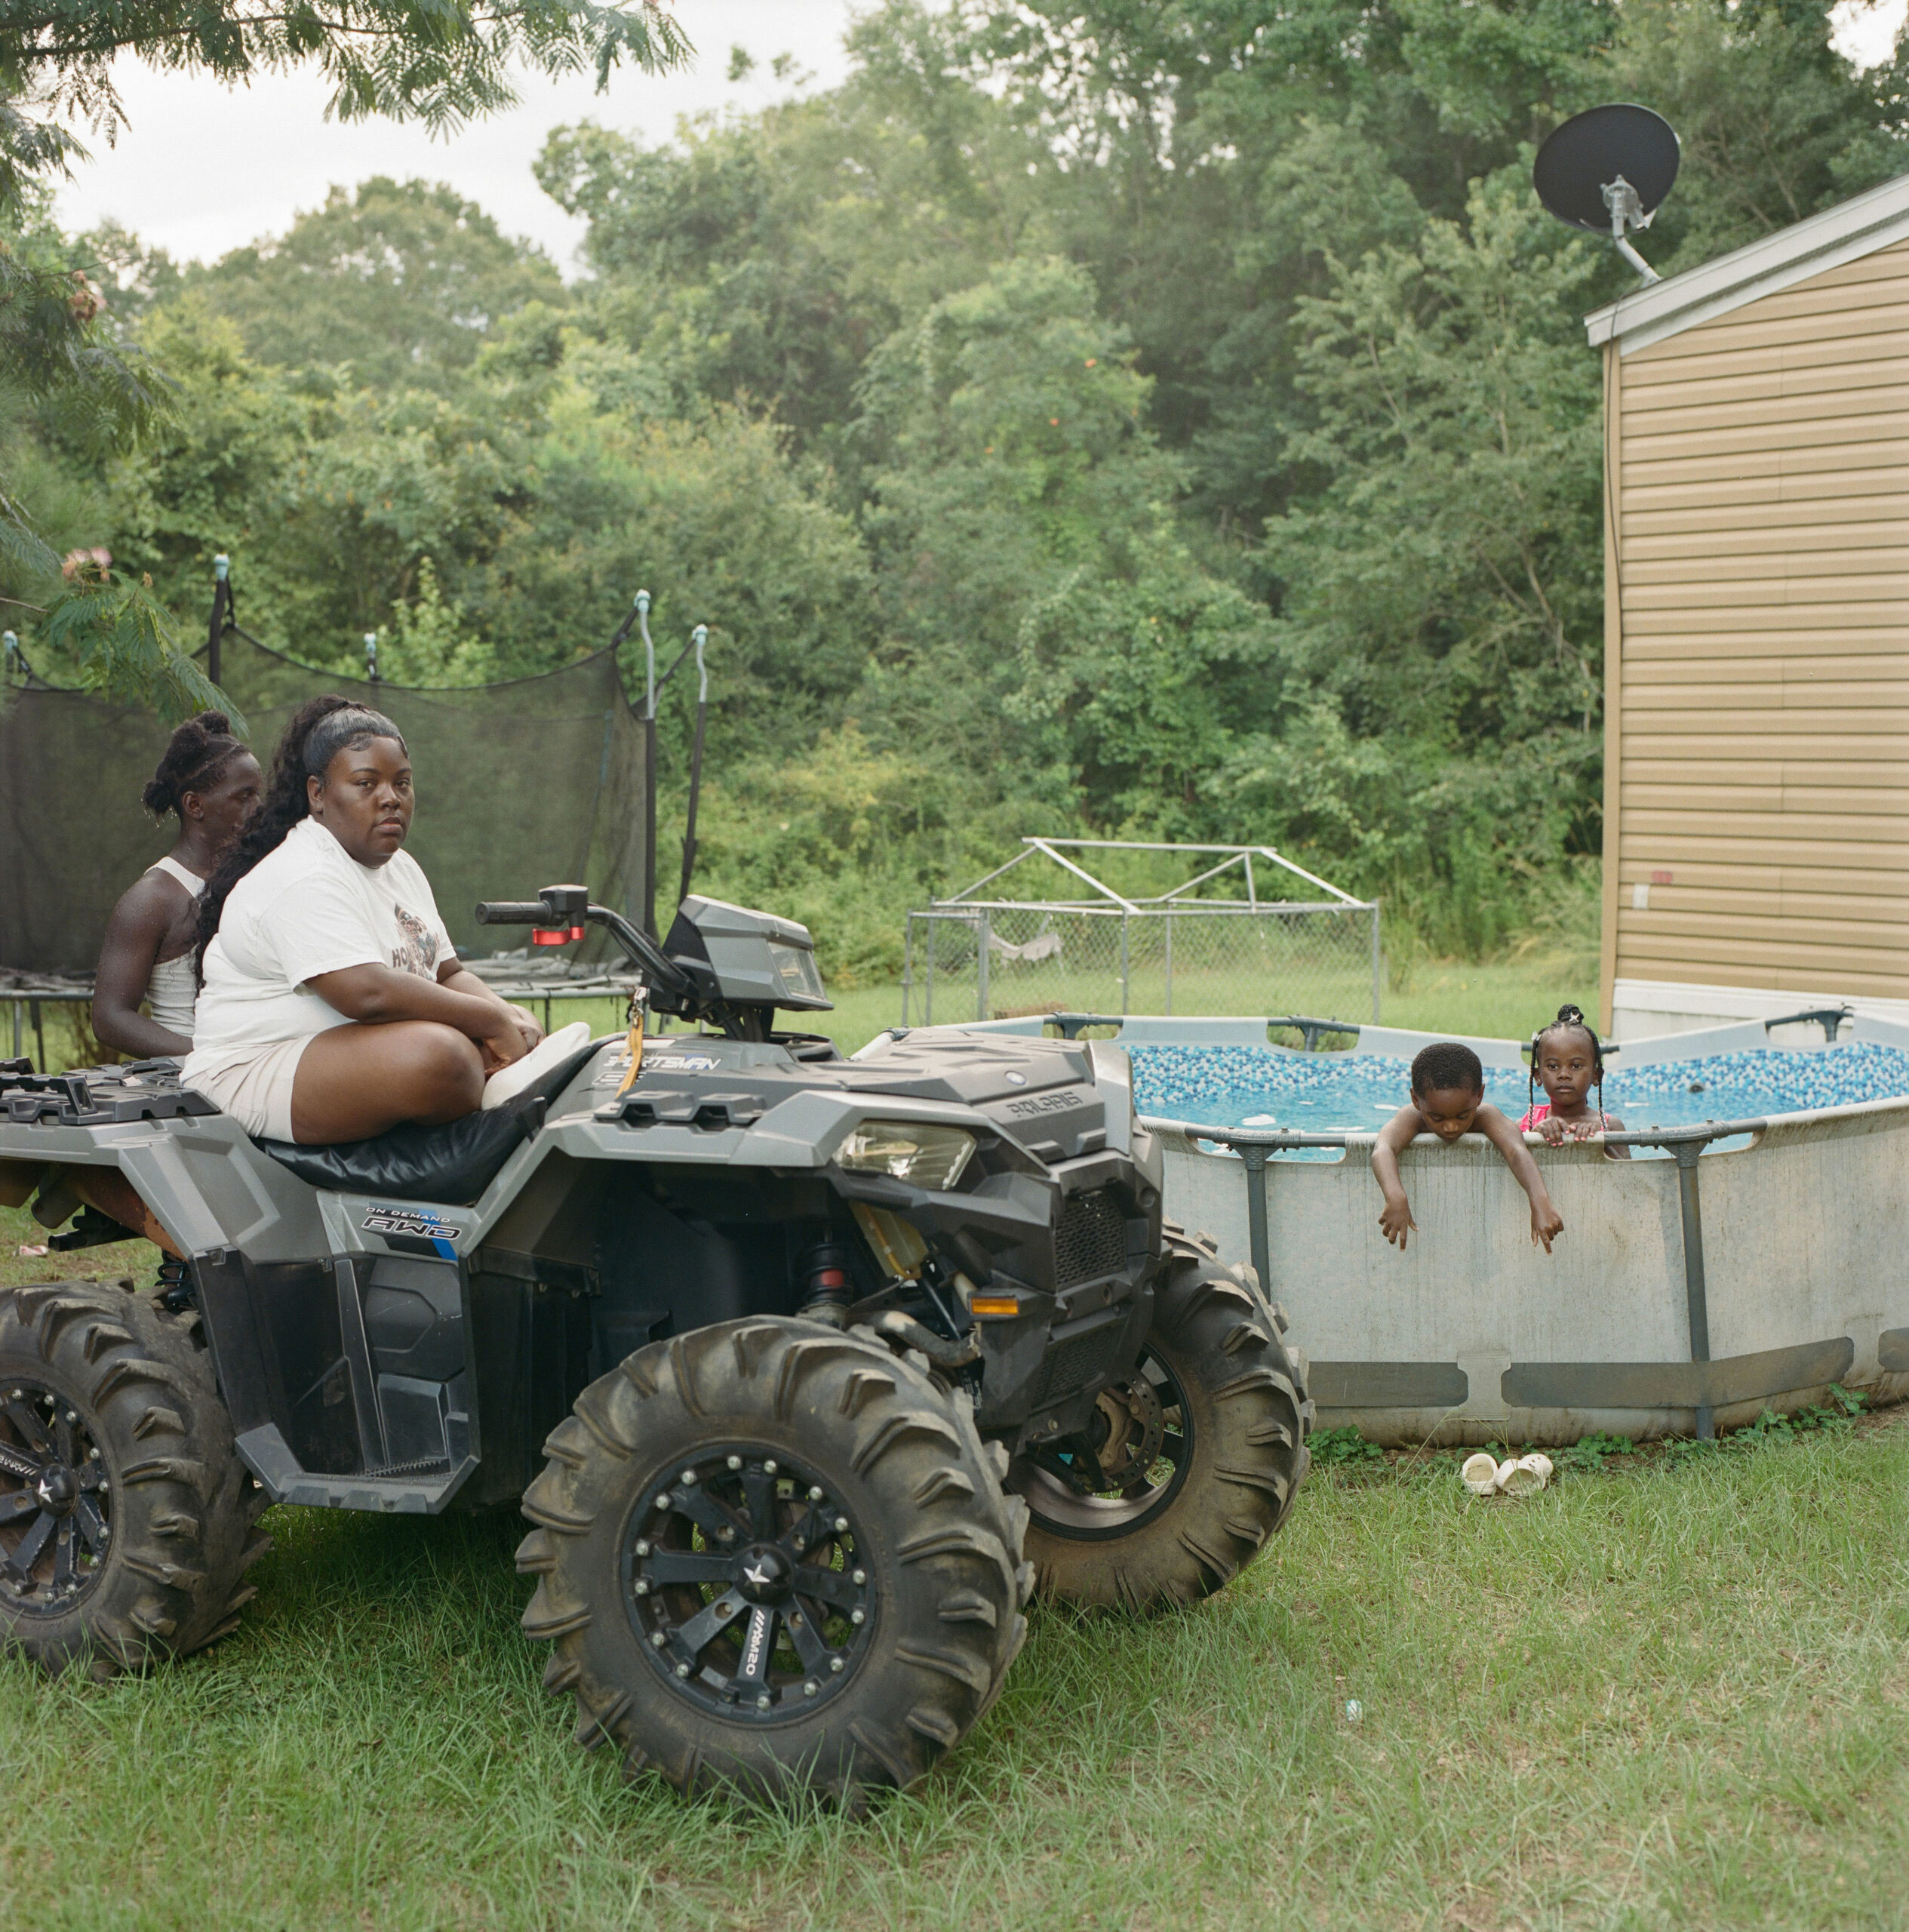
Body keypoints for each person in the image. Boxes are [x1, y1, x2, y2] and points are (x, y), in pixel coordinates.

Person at [183, 694, 558, 1146]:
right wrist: (492, 1026)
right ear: (317, 794)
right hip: (257, 1067)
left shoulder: (400, 868)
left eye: (402, 784)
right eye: (367, 784)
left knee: (511, 1039)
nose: (390, 799)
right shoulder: (302, 874)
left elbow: (447, 973)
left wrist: (505, 1013)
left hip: (352, 1051)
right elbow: (367, 994)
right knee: (445, 1059)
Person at [92, 712, 264, 1059]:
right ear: (195, 805)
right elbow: (110, 1018)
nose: (258, 808)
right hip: (195, 1087)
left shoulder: (258, 876)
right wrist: (209, 1058)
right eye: (243, 796)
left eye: (258, 794)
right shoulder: (154, 898)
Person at [1370, 1041, 1565, 1254]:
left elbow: (1516, 1150)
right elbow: (1383, 1149)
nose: (1451, 1127)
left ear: (1479, 1095)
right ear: (1416, 1100)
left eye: (1463, 1116)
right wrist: (1396, 1196)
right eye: (1436, 1118)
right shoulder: (1412, 1118)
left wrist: (1539, 1200)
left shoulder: (1486, 1116)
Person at [1520, 1004, 1628, 1159]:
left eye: (1576, 1066)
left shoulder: (1609, 1127)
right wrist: (1534, 1137)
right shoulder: (1527, 1124)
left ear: (1596, 1076)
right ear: (1537, 1076)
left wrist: (1599, 1145)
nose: (1564, 1075)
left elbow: (1632, 1177)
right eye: (1553, 1066)